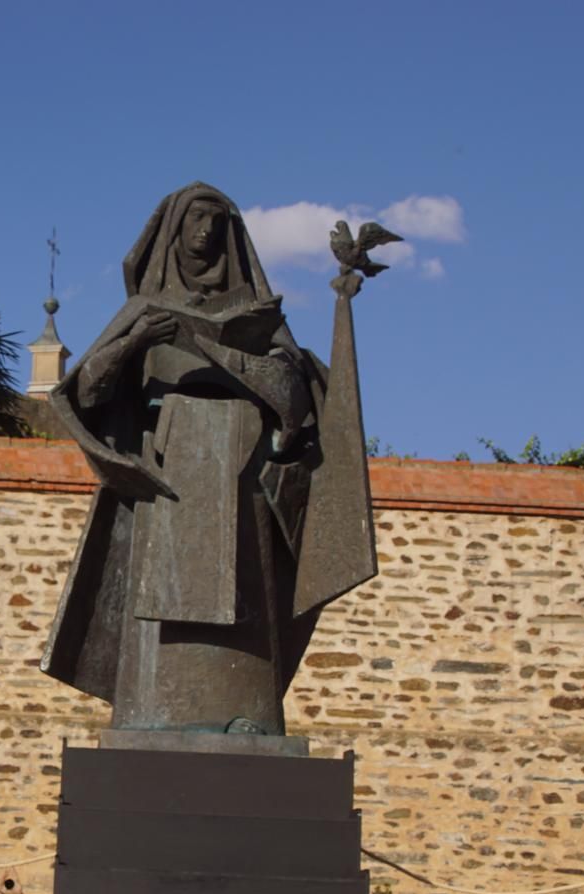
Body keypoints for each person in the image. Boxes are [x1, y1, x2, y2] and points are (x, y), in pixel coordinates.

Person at [41, 182, 376, 734]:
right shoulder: (144, 309)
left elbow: (294, 396)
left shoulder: (256, 314)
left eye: (217, 226)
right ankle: (150, 714)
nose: (205, 233)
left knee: (247, 594)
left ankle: (246, 715)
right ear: (172, 233)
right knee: (159, 601)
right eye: (196, 221)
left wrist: (244, 366)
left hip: (241, 470)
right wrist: (135, 341)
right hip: (168, 467)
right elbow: (87, 393)